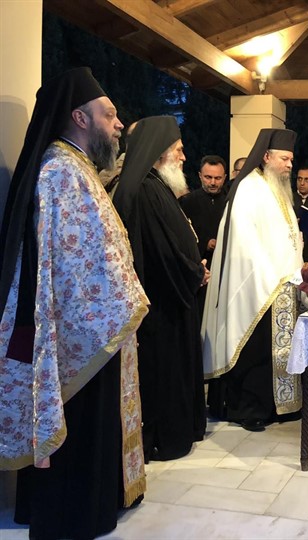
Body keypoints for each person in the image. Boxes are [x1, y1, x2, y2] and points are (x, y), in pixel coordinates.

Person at [0, 67, 149, 539]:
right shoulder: (62, 170)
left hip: (92, 323)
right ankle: (76, 513)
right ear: (80, 118)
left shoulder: (78, 167)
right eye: (110, 115)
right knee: (79, 420)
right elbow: (72, 261)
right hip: (80, 329)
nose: (119, 124)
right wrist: (123, 299)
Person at [113, 116, 209, 461]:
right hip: (162, 305)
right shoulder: (146, 190)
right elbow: (162, 253)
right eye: (178, 150)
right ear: (159, 152)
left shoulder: (157, 186)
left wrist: (193, 268)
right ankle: (165, 437)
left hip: (173, 297)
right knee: (164, 373)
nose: (184, 157)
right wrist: (194, 272)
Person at [202, 128, 303, 431]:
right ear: (267, 156)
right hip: (257, 284)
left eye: (291, 160)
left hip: (283, 284)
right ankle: (248, 408)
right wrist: (270, 277)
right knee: (254, 351)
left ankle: (279, 406)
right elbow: (243, 240)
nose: (289, 165)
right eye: (284, 159)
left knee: (276, 351)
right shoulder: (248, 188)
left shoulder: (279, 190)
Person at [180, 155, 228, 268]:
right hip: (197, 264)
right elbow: (181, 237)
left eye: (218, 178)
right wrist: (205, 244)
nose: (213, 182)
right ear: (200, 176)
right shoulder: (187, 202)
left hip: (226, 263)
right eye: (208, 177)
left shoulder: (231, 201)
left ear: (224, 177)